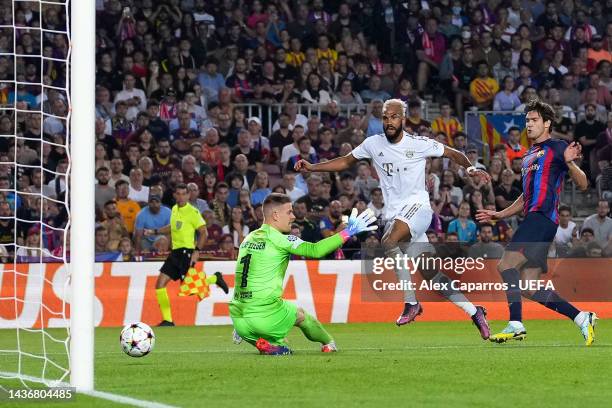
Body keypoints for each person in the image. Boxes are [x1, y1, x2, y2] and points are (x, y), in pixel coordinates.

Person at [295, 99, 490, 338]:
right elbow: (346, 161)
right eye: (386, 117)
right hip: (397, 215)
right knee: (432, 275)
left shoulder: (418, 144)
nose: (389, 121)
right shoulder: (372, 143)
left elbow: (453, 153)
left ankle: (411, 303)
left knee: (388, 241)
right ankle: (474, 311)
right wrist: (313, 167)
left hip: (418, 208)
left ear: (403, 119)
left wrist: (470, 169)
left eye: (394, 117)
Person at [476, 99, 596, 346]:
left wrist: (570, 161)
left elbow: (584, 184)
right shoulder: (529, 155)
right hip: (535, 218)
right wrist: (500, 214)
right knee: (528, 287)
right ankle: (581, 317)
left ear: (547, 123)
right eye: (527, 121)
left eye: (533, 120)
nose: (528, 125)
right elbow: (525, 197)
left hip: (542, 218)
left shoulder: (557, 147)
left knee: (505, 265)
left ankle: (516, 323)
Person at [229, 193, 378, 355]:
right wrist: (348, 232)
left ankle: (258, 338)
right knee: (301, 315)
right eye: (289, 212)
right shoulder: (281, 240)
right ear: (276, 215)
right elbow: (316, 250)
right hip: (263, 314)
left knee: (277, 336)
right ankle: (329, 343)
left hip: (238, 314)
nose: (293, 217)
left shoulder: (248, 238)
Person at [144, 184, 229, 327]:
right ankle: (168, 320)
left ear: (189, 196)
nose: (181, 197)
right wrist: (154, 232)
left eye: (184, 194)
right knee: (159, 284)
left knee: (189, 289)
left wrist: (196, 251)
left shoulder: (193, 212)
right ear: (175, 195)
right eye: (179, 194)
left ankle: (215, 278)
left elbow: (204, 232)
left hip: (186, 253)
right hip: (175, 253)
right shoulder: (175, 209)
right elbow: (172, 226)